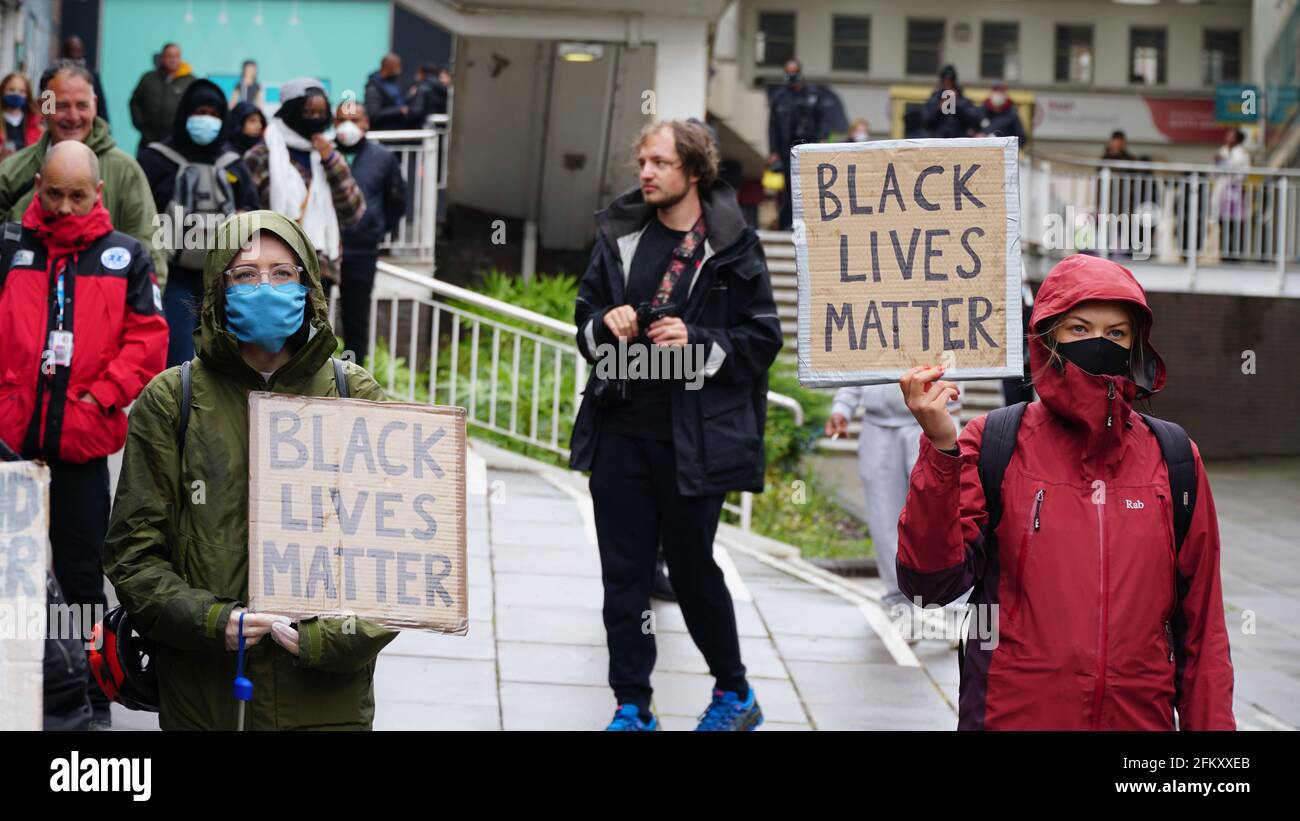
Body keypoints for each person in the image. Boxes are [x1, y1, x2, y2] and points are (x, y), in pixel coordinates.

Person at [896, 253, 1235, 730]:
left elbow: (1203, 632)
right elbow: (929, 585)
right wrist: (940, 450)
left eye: (1116, 333)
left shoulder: (1175, 457)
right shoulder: (993, 442)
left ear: (1136, 343)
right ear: (1048, 337)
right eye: (1079, 328)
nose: (1099, 343)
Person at [102, 210, 400, 730]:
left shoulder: (355, 394)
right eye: (245, 274)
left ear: (307, 284)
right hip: (206, 698)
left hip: (325, 703)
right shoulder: (172, 401)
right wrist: (214, 622)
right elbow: (133, 555)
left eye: (282, 272)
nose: (265, 285)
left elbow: (398, 562)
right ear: (219, 289)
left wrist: (321, 638)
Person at [570, 120, 783, 731]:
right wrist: (605, 325)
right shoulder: (621, 234)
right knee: (624, 575)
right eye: (642, 161)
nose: (646, 172)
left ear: (694, 170)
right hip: (619, 430)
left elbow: (761, 340)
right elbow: (583, 323)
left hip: (696, 441)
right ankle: (631, 705)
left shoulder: (733, 244)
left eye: (660, 162)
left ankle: (735, 694)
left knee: (691, 569)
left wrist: (699, 337)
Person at [0, 140, 169, 728]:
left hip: (81, 449)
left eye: (77, 195)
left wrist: (101, 396)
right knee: (10, 570)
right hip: (10, 450)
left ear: (98, 194)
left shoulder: (125, 256)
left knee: (79, 575)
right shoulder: (11, 249)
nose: (65, 207)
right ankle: (16, 678)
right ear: (37, 190)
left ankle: (88, 690)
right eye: (54, 194)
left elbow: (148, 340)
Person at [0, 61, 169, 287]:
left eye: (82, 105)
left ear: (95, 104)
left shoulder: (125, 172)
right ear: (44, 106)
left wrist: (138, 311)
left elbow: (150, 253)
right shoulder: (13, 171)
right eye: (60, 106)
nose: (73, 116)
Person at [138, 79, 259, 366]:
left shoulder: (232, 163)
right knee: (175, 359)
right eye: (200, 112)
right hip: (170, 276)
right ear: (184, 114)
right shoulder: (155, 160)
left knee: (224, 361)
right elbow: (138, 213)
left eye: (215, 115)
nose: (207, 120)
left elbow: (254, 210)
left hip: (224, 281)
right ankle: (175, 410)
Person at [825, 386, 960, 614]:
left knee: (943, 515)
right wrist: (843, 406)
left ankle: (957, 600)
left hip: (934, 420)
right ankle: (899, 601)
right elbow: (855, 358)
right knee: (884, 519)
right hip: (877, 427)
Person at [243, 78, 366, 286]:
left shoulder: (326, 153)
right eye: (309, 113)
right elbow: (245, 217)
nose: (316, 119)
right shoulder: (262, 155)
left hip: (319, 272)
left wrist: (332, 161)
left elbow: (354, 211)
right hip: (270, 273)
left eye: (321, 113)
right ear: (291, 111)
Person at [334, 101, 405, 365]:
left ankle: (352, 381)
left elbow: (396, 201)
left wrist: (376, 230)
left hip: (361, 250)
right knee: (310, 317)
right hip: (324, 249)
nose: (347, 126)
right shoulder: (324, 155)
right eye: (341, 119)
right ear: (333, 124)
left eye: (354, 119)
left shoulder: (383, 158)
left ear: (366, 124)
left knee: (355, 318)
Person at [767, 59, 830, 230]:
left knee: (810, 186)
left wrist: (823, 139)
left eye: (794, 71)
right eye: (788, 71)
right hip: (787, 149)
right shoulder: (779, 97)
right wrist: (773, 152)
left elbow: (823, 120)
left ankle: (810, 223)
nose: (791, 75)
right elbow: (773, 126)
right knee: (790, 188)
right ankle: (788, 223)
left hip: (810, 147)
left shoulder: (813, 94)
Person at [129, 42, 197, 155]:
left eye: (176, 56)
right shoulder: (148, 78)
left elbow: (194, 108)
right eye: (169, 56)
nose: (173, 60)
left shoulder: (190, 81)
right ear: (162, 58)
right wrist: (142, 125)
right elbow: (134, 103)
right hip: (148, 141)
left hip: (177, 144)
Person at [1214, 128, 1250, 258]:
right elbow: (1216, 172)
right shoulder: (1222, 150)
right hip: (1223, 191)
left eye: (1231, 136)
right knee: (1222, 222)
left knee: (1235, 225)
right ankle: (1223, 253)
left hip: (1235, 191)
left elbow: (1243, 173)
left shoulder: (1243, 154)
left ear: (1238, 139)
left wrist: (1226, 163)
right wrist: (1218, 162)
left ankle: (1234, 255)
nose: (1227, 138)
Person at [920, 65, 980, 140]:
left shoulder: (963, 101)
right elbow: (925, 122)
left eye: (951, 80)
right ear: (941, 81)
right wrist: (939, 108)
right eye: (945, 80)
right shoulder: (933, 100)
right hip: (937, 142)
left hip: (959, 143)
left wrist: (957, 106)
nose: (948, 83)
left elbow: (974, 121)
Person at [61, 36, 109, 124]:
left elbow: (101, 106)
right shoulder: (53, 75)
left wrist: (106, 130)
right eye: (72, 51)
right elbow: (46, 105)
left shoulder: (92, 75)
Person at [0, 72, 43, 161]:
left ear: (27, 95)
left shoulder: (36, 125)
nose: (16, 94)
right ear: (3, 91)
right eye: (11, 90)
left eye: (21, 91)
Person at [364, 53, 409, 131]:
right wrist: (398, 111)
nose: (400, 69)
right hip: (384, 131)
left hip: (399, 128)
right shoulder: (373, 87)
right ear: (390, 66)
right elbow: (373, 114)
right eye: (397, 65)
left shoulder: (395, 82)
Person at [976, 81, 1025, 146]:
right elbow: (971, 131)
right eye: (996, 90)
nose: (998, 94)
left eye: (1001, 91)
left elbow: (1021, 138)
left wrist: (1004, 143)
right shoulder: (982, 111)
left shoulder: (1012, 114)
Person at [407, 63, 449, 127]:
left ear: (422, 73)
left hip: (425, 127)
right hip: (441, 126)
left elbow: (416, 111)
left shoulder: (423, 88)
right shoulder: (442, 88)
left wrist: (411, 96)